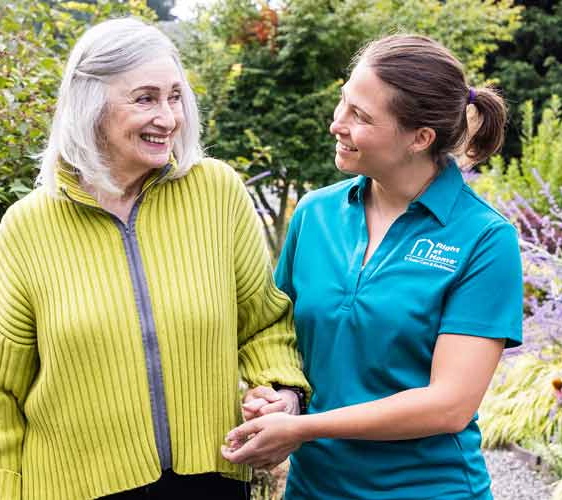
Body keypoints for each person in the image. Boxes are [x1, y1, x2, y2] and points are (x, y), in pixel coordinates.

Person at [0, 18, 309, 500]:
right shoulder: (28, 228)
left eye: (174, 96)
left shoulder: (216, 192)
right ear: (90, 106)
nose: (168, 118)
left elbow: (264, 324)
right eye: (145, 98)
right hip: (75, 490)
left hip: (208, 485)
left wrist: (280, 394)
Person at [222, 34, 523, 499]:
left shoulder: (484, 239)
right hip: (314, 490)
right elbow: (281, 339)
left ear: (420, 138)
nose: (335, 124)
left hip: (428, 490)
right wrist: (285, 397)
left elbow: (449, 405)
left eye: (360, 116)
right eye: (344, 103)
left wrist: (304, 429)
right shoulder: (314, 215)